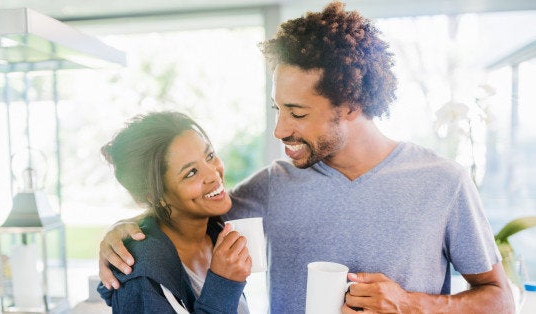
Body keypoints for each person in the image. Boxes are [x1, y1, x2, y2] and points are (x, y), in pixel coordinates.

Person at [98, 2, 514, 313]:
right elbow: (188, 212)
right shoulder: (274, 185)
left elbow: (499, 298)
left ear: (350, 104)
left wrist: (411, 303)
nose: (280, 130)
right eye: (277, 109)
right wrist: (126, 229)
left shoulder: (443, 181)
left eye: (297, 113)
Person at [96, 111, 252, 313]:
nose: (213, 174)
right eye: (191, 173)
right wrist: (224, 284)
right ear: (156, 196)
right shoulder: (141, 276)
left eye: (210, 156)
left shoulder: (216, 231)